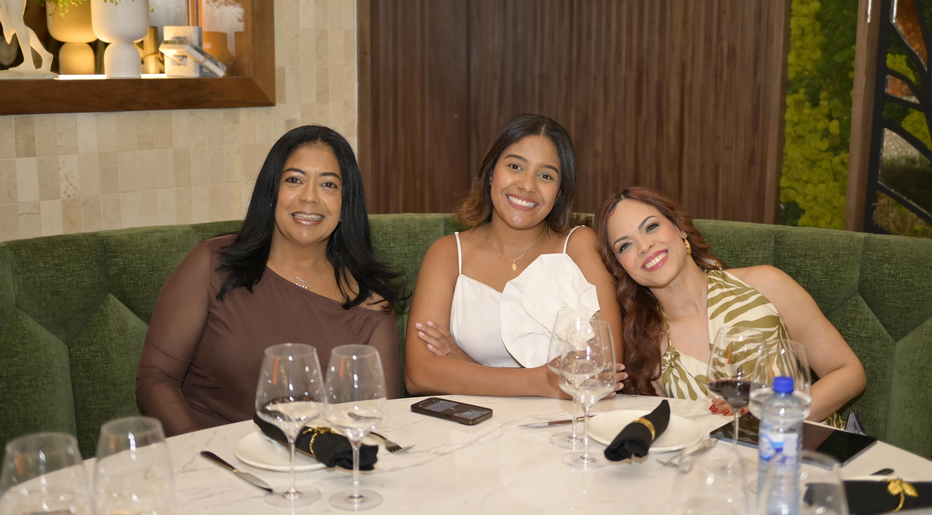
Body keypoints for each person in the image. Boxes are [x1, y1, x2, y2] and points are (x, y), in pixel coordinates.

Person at [136, 126, 402, 436]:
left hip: (316, 461)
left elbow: (380, 418)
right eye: (294, 180)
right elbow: (156, 378)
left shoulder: (370, 297)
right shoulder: (212, 263)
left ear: (346, 203)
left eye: (328, 184)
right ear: (271, 192)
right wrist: (201, 450)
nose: (309, 196)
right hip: (210, 455)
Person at [594, 187, 865, 423]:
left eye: (651, 227)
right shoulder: (646, 347)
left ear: (679, 227)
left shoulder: (765, 285)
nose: (643, 246)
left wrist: (775, 416)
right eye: (625, 246)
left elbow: (849, 372)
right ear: (621, 268)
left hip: (809, 449)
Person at [405, 114, 625, 397]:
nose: (527, 185)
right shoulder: (447, 253)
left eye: (545, 176)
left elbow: (602, 371)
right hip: (471, 422)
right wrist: (541, 382)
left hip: (564, 422)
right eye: (515, 166)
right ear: (491, 173)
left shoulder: (580, 245)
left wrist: (464, 365)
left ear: (559, 192)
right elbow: (419, 374)